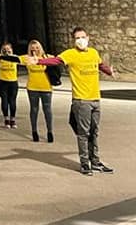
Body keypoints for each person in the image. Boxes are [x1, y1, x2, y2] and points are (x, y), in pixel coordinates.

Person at [30, 27, 114, 175]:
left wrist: (109, 71)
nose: (80, 40)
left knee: (94, 132)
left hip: (95, 98)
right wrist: (39, 61)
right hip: (81, 100)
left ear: (88, 38)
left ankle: (95, 161)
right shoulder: (70, 54)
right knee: (83, 133)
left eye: (82, 37)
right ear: (74, 40)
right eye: (77, 38)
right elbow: (56, 60)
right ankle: (85, 164)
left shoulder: (93, 53)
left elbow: (100, 65)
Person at [20, 39, 55, 143]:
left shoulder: (47, 57)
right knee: (34, 109)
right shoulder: (27, 58)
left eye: (36, 47)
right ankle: (34, 131)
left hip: (46, 87)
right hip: (32, 87)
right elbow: (14, 58)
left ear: (40, 48)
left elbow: (59, 60)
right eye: (32, 48)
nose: (35, 50)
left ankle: (50, 132)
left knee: (47, 109)